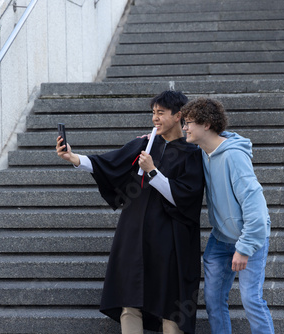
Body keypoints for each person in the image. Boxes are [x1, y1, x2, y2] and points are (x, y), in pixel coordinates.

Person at [56, 91, 204, 334]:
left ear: (178, 116)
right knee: (129, 299)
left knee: (171, 304)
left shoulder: (192, 153)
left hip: (171, 237)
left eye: (161, 113)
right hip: (134, 231)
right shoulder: (144, 144)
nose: (155, 118)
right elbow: (109, 164)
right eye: (153, 113)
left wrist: (153, 171)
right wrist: (73, 158)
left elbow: (185, 197)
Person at [180, 97, 274, 334]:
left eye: (189, 122)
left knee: (252, 300)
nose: (185, 127)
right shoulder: (203, 151)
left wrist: (244, 248)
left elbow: (257, 209)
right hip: (220, 238)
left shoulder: (234, 157)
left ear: (207, 125)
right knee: (213, 302)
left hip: (250, 238)